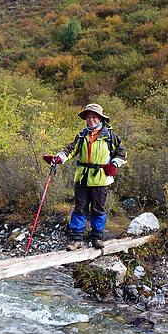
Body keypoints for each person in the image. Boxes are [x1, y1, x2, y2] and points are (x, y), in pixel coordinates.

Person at [44, 103, 127, 250]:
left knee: (98, 208)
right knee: (79, 208)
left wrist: (114, 165)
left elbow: (121, 153)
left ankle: (97, 238)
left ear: (100, 118)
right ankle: (76, 240)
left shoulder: (110, 136)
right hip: (82, 178)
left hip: (101, 179)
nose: (91, 120)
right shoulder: (82, 135)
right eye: (88, 117)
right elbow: (70, 150)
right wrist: (58, 158)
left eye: (94, 117)